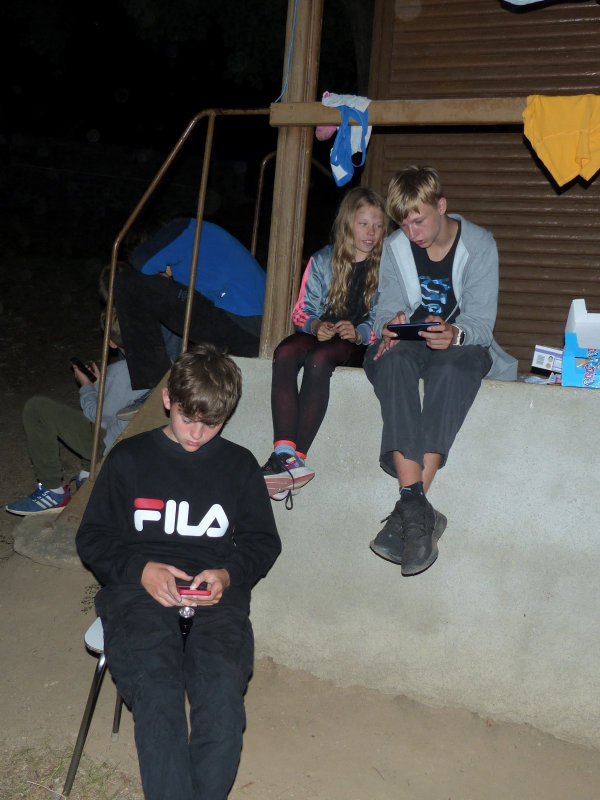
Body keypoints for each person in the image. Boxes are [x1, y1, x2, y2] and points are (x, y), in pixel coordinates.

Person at [76, 343, 281, 800]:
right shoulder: (129, 459)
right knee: (158, 692)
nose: (197, 434)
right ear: (168, 399)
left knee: (222, 697)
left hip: (214, 599)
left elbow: (262, 542)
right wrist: (140, 569)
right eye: (189, 419)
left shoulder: (239, 466)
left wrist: (227, 574)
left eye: (213, 424)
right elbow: (93, 538)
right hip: (138, 593)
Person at [364, 166, 517, 576]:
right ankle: (417, 508)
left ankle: (408, 509)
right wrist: (390, 323)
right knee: (391, 360)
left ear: (442, 206)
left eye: (419, 220)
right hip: (411, 343)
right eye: (403, 224)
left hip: (460, 345)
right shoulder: (396, 247)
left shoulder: (479, 244)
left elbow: (481, 324)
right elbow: (384, 309)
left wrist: (455, 333)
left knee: (452, 369)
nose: (411, 232)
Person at [261, 187, 388, 502]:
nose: (371, 232)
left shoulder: (387, 267)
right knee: (285, 351)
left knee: (319, 359)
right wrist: (315, 325)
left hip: (356, 343)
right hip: (321, 332)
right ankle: (284, 452)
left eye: (378, 225)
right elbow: (301, 311)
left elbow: (383, 319)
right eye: (363, 224)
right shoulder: (322, 259)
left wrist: (358, 333)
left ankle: (297, 458)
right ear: (348, 224)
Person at [5, 310, 148, 516]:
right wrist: (102, 387)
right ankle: (87, 474)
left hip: (117, 445)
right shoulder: (166, 362)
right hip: (142, 438)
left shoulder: (122, 372)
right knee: (105, 420)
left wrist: (87, 387)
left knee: (36, 408)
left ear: (111, 343)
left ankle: (53, 493)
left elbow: (96, 418)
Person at [113, 217, 266, 391]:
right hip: (248, 326)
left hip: (244, 323)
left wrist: (152, 270)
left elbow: (141, 260)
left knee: (127, 282)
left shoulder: (182, 230)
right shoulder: (199, 247)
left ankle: (152, 385)